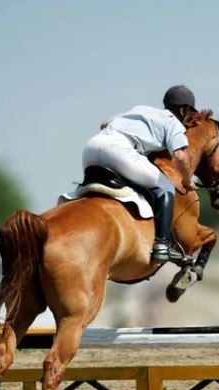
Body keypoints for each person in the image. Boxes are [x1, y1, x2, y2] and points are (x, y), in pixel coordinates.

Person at [82, 85, 197, 262]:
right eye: (190, 113)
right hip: (118, 150)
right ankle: (162, 245)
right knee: (166, 186)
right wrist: (187, 181)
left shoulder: (141, 110)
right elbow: (180, 157)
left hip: (91, 148)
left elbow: (104, 124)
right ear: (183, 110)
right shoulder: (174, 122)